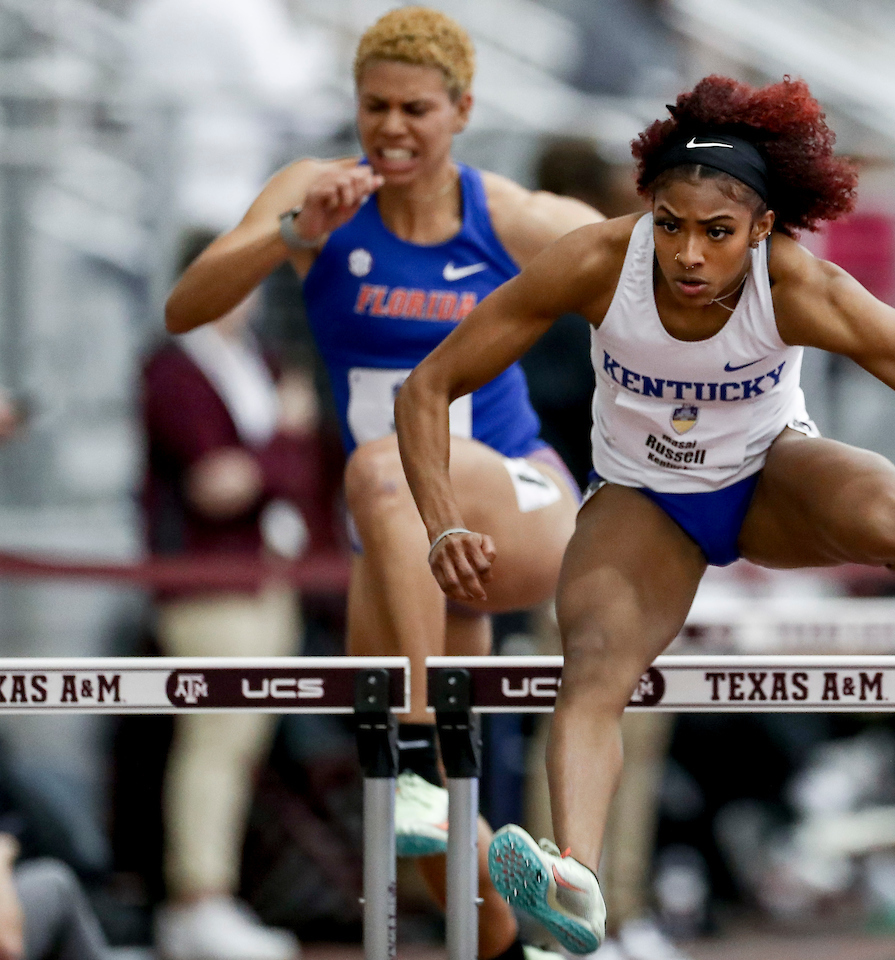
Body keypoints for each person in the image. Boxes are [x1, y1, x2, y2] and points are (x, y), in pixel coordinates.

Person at [393, 74, 895, 955]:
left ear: (761, 230)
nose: (687, 256)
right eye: (671, 226)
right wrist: (443, 520)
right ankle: (577, 882)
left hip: (767, 483)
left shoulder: (798, 287)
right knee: (593, 667)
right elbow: (429, 386)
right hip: (645, 504)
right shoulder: (600, 262)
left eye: (716, 234)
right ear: (647, 209)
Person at [163, 9, 600, 960]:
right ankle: (520, 938)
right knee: (434, 837)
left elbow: (651, 265)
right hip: (399, 542)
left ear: (463, 111)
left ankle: (411, 753)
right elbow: (186, 305)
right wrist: (288, 234)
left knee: (380, 464)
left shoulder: (509, 215)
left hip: (516, 504)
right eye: (373, 108)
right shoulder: (317, 198)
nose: (392, 128)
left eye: (416, 109)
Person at [144, 232, 326, 960]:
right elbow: (216, 485)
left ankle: (217, 893)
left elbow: (284, 469)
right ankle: (197, 896)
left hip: (269, 577)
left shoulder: (259, 358)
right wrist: (283, 438)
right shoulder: (173, 369)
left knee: (242, 743)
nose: (246, 291)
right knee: (215, 739)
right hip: (209, 583)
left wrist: (273, 460)